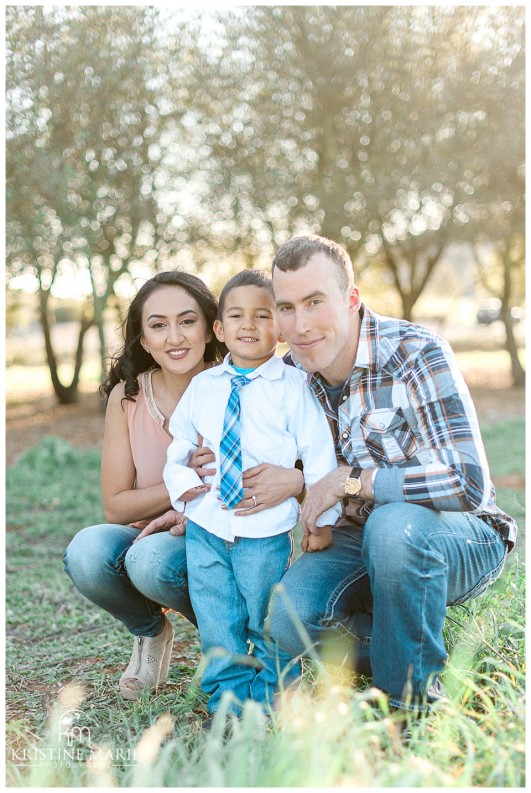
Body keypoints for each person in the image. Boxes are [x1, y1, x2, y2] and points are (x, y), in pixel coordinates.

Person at [268, 234, 518, 714]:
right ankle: (407, 636)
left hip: (458, 536)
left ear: (352, 299)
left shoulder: (415, 353)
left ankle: (411, 704)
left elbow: (468, 483)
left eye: (315, 302)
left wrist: (352, 480)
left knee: (393, 526)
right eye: (286, 307)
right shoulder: (290, 376)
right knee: (289, 617)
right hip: (354, 538)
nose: (300, 325)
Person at [63, 270, 304, 701]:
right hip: (151, 533)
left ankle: (240, 641)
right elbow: (117, 507)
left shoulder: (246, 380)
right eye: (158, 325)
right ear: (142, 337)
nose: (175, 337)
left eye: (187, 320)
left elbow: (294, 468)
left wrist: (203, 501)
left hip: (226, 534)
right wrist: (186, 485)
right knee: (87, 550)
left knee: (151, 560)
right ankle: (151, 634)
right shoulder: (128, 395)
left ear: (213, 326)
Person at [163, 269, 341, 722]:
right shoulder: (204, 386)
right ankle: (227, 700)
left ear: (279, 328)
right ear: (219, 329)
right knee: (217, 620)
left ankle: (272, 699)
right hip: (207, 526)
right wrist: (185, 487)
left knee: (266, 621)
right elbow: (180, 443)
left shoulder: (294, 387)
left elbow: (318, 453)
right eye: (236, 316)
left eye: (262, 315)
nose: (248, 325)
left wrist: (320, 519)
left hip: (264, 531)